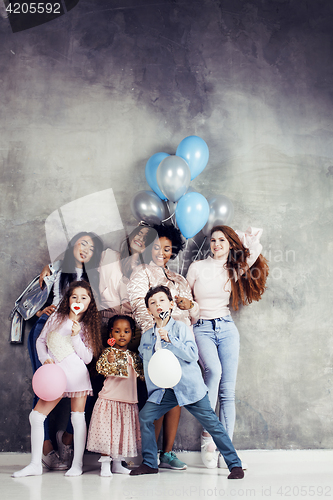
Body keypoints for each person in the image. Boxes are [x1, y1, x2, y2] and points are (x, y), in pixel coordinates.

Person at [130, 286, 244, 480]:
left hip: (189, 387)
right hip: (163, 391)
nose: (158, 305)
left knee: (213, 425)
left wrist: (171, 340)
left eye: (162, 300)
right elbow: (146, 364)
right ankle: (150, 463)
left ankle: (235, 465)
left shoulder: (181, 328)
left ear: (171, 304)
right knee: (146, 417)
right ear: (149, 310)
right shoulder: (147, 337)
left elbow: (191, 354)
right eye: (153, 303)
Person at [186, 226, 269, 468]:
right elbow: (186, 299)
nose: (216, 244)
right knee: (214, 372)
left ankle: (227, 450)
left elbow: (255, 249)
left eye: (222, 240)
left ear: (230, 244)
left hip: (226, 328)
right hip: (201, 327)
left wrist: (238, 238)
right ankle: (208, 437)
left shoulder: (234, 268)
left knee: (228, 391)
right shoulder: (197, 267)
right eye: (213, 240)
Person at [28, 232, 103, 470]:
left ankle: (70, 445)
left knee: (80, 394)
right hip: (50, 326)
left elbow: (87, 352)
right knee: (43, 383)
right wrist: (43, 311)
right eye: (82, 243)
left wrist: (76, 331)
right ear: (73, 245)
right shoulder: (59, 269)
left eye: (91, 248)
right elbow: (39, 293)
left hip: (76, 331)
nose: (85, 249)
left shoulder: (94, 277)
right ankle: (45, 447)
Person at [12, 281, 102, 478]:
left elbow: (87, 358)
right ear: (68, 299)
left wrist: (76, 336)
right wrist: (45, 359)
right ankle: (35, 464)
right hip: (55, 376)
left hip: (77, 375)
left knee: (78, 418)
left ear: (89, 303)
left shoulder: (87, 326)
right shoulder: (56, 317)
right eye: (74, 297)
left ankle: (77, 464)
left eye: (83, 298)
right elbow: (40, 341)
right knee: (36, 416)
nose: (78, 301)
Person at [127, 224, 199, 470]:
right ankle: (148, 456)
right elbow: (139, 307)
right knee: (157, 397)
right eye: (156, 247)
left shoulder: (179, 279)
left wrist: (186, 312)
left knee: (176, 397)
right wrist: (159, 334)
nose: (161, 252)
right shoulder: (141, 273)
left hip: (179, 342)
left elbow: (190, 313)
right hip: (155, 342)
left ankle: (166, 454)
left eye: (167, 248)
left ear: (173, 251)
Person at [87, 315, 144, 476]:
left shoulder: (134, 357)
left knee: (120, 434)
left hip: (128, 401)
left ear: (132, 334)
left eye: (126, 331)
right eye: (117, 331)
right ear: (111, 334)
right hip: (109, 400)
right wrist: (110, 360)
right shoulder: (108, 353)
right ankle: (105, 464)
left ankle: (118, 463)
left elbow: (142, 375)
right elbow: (101, 369)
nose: (122, 335)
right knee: (108, 435)